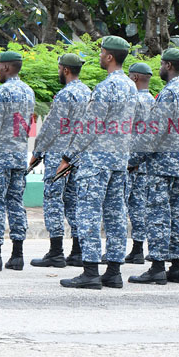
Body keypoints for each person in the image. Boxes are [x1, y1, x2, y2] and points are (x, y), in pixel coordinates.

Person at [56, 36, 136, 288]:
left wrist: (68, 156)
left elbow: (90, 126)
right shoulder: (131, 86)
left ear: (109, 56)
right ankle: (113, 271)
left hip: (97, 159)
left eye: (101, 53)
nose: (100, 57)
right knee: (115, 214)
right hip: (119, 159)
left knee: (88, 212)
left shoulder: (106, 87)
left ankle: (90, 270)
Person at [128, 48, 179, 285]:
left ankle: (157, 266)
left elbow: (154, 131)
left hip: (161, 164)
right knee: (175, 212)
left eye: (161, 64)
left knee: (158, 214)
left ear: (168, 65)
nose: (159, 68)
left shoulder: (169, 93)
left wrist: (133, 160)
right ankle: (177, 266)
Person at [30, 53, 91, 269]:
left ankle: (56, 252)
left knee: (54, 199)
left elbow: (51, 127)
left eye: (59, 68)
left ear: (65, 70)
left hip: (59, 154)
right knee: (75, 201)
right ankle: (77, 251)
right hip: (79, 155)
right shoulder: (87, 92)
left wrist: (37, 152)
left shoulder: (66, 95)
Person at [0, 51, 36, 272]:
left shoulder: (1, 93)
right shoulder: (29, 92)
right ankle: (17, 255)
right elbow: (29, 127)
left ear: (7, 68)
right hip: (19, 155)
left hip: (0, 156)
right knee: (15, 202)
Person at [124, 62, 156, 264]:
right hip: (145, 162)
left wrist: (130, 160)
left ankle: (122, 250)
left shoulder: (134, 100)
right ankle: (137, 248)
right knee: (140, 206)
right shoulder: (153, 100)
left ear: (135, 78)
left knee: (122, 205)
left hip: (131, 161)